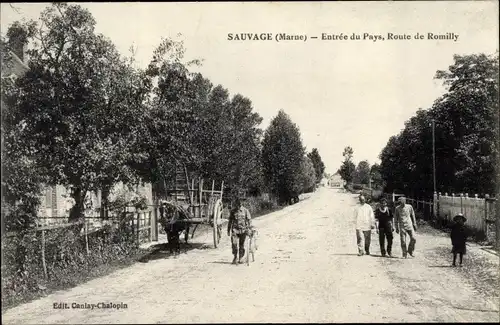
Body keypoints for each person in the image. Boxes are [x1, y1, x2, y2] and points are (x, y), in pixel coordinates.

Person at [227, 198, 252, 264]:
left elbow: (249, 220)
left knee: (241, 245)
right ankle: (235, 257)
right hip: (235, 230)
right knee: (234, 244)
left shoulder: (246, 211)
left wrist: (249, 228)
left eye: (240, 203)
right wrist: (228, 230)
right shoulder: (233, 211)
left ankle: (241, 258)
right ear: (236, 203)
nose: (239, 204)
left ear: (242, 204)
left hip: (243, 230)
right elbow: (230, 221)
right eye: (238, 203)